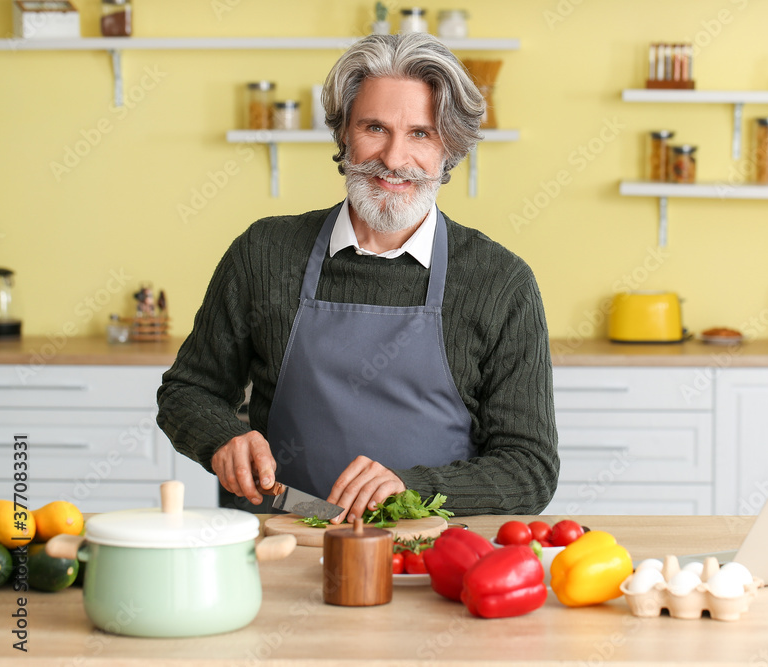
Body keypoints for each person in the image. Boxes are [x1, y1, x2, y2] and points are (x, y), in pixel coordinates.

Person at [156, 33, 558, 524]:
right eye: (374, 127)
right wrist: (222, 438)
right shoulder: (264, 254)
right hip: (288, 536)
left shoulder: (500, 283)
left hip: (428, 552)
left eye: (421, 134)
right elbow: (187, 391)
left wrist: (409, 489)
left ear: (448, 148)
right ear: (344, 133)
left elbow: (530, 469)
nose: (392, 159)